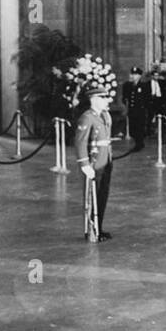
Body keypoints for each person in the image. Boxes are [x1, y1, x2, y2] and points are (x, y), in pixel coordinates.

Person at [75, 82, 115, 240]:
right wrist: (84, 164)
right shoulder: (87, 117)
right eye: (103, 97)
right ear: (94, 99)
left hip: (106, 160)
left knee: (102, 195)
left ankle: (99, 227)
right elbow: (80, 142)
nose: (107, 100)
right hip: (94, 162)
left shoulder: (104, 115)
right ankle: (92, 230)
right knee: (93, 196)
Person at [123, 67, 147, 152]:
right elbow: (125, 97)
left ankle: (139, 144)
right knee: (133, 128)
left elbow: (146, 99)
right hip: (132, 110)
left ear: (140, 76)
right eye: (132, 74)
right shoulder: (128, 85)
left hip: (140, 111)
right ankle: (138, 142)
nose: (133, 76)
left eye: (136, 74)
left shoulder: (144, 86)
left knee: (139, 128)